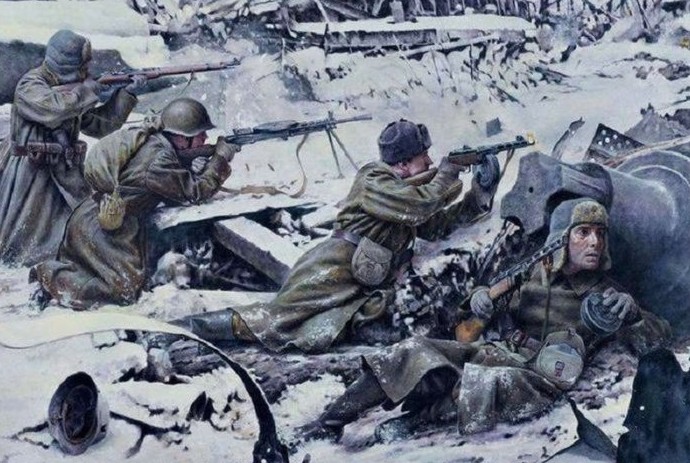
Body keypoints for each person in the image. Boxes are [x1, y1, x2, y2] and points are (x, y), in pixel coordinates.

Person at [297, 198, 670, 441]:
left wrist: (633, 315)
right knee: (413, 352)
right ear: (562, 238)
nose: (594, 242)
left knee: (488, 384)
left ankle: (417, 420)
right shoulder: (532, 274)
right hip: (495, 350)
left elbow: (658, 339)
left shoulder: (608, 295)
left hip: (537, 375)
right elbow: (478, 306)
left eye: (600, 234)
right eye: (584, 232)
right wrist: (478, 299)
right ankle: (327, 423)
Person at [175, 119, 501, 353]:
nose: (429, 161)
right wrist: (448, 170)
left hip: (361, 279)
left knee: (327, 330)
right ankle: (182, 329)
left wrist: (478, 195)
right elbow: (419, 207)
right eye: (423, 157)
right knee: (273, 320)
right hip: (330, 269)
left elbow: (434, 224)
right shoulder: (374, 178)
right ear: (402, 163)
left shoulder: (401, 193)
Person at [31, 98, 238, 309]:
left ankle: (60, 279)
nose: (205, 137)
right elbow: (195, 192)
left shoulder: (156, 144)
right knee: (121, 292)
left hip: (102, 219)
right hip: (104, 227)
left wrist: (194, 166)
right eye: (200, 134)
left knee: (116, 281)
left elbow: (167, 184)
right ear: (181, 139)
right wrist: (220, 159)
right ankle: (49, 276)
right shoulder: (159, 160)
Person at [0, 29, 143, 266]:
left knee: (82, 224)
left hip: (66, 172)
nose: (86, 70)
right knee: (24, 242)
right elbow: (55, 109)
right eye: (82, 65)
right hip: (32, 175)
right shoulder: (30, 85)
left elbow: (98, 125)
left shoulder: (74, 91)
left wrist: (125, 94)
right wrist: (91, 90)